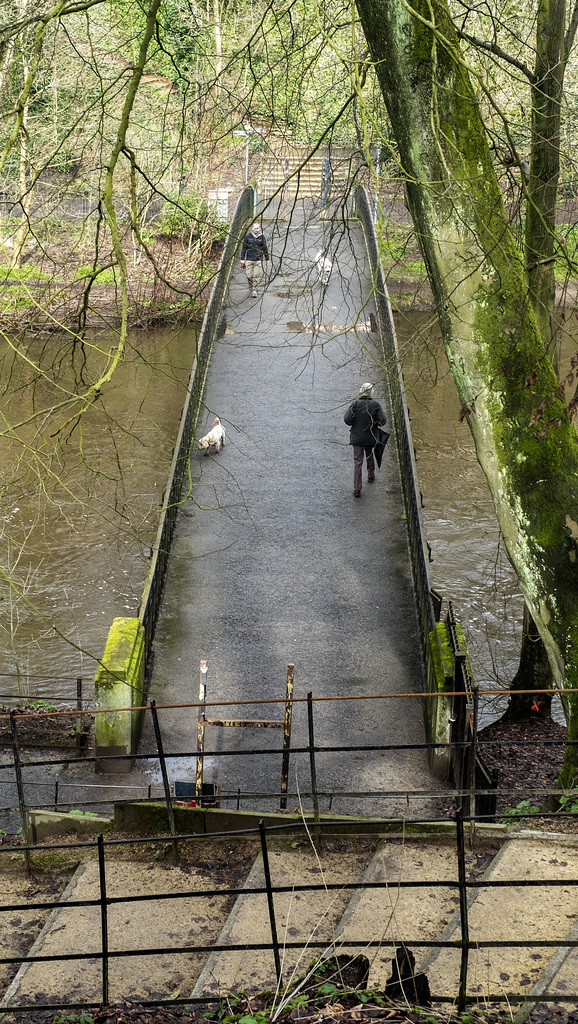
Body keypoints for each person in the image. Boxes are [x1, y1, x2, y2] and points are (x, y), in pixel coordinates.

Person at [344, 382, 387, 497]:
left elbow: (347, 420)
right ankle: (371, 474)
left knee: (357, 461)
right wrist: (375, 423)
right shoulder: (375, 405)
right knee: (369, 454)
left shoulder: (355, 404)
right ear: (371, 392)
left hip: (357, 437)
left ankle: (357, 488)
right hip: (370, 436)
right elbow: (383, 421)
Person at [240, 222, 270, 297]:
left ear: (259, 228)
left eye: (257, 228)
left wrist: (267, 259)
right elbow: (244, 248)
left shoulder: (262, 237)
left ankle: (254, 290)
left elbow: (265, 248)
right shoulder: (248, 237)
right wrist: (242, 259)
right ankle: (251, 286)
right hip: (249, 259)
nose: (256, 230)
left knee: (256, 276)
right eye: (255, 228)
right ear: (252, 228)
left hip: (258, 259)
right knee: (249, 276)